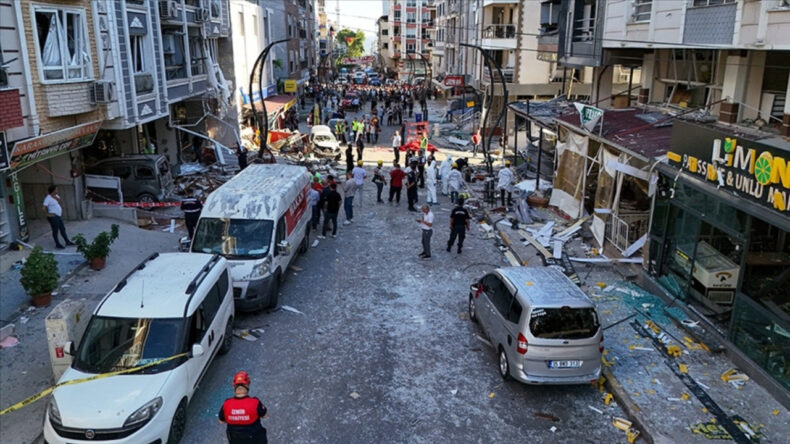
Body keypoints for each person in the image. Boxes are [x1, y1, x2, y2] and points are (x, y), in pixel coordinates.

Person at [218, 371, 268, 444]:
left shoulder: (226, 404)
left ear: (234, 387)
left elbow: (221, 421)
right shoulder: (255, 402)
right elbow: (265, 415)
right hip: (255, 439)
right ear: (247, 385)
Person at [42, 185, 74, 249]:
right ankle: (57, 244)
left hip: (58, 216)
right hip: (53, 217)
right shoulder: (47, 198)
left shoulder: (56, 196)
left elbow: (59, 202)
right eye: (56, 190)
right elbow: (43, 208)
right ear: (53, 190)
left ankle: (67, 241)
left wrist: (56, 198)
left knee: (62, 229)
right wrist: (48, 214)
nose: (57, 191)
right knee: (55, 230)